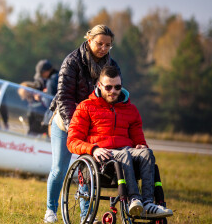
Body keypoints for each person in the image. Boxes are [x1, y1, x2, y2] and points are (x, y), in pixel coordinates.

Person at [67, 65, 173, 218]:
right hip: (101, 158)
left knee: (147, 153)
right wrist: (93, 149)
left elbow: (139, 140)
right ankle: (134, 200)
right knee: (124, 155)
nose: (113, 91)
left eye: (117, 87)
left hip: (126, 152)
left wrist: (141, 146)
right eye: (108, 87)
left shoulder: (131, 110)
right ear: (99, 85)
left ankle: (148, 203)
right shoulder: (85, 107)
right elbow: (72, 141)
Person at [44, 24, 120, 223]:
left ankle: (86, 215)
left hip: (92, 123)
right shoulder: (72, 62)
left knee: (87, 170)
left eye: (108, 45)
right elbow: (64, 97)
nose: (103, 48)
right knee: (59, 169)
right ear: (89, 40)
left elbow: (114, 93)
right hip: (65, 120)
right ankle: (50, 210)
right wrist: (72, 126)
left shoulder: (111, 66)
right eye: (99, 43)